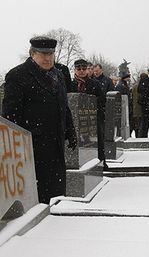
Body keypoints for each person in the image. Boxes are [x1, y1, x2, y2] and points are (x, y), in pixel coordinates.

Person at [2, 36, 77, 204]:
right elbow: (10, 116)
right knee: (37, 199)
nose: (48, 58)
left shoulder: (58, 75)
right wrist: (17, 147)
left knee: (56, 196)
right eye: (43, 54)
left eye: (51, 54)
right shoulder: (17, 75)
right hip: (32, 149)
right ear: (32, 54)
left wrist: (70, 130)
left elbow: (63, 106)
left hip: (55, 146)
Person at [71, 59, 107, 168]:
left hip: (93, 117)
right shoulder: (71, 84)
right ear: (75, 70)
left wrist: (90, 104)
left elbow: (102, 99)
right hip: (76, 119)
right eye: (79, 69)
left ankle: (101, 161)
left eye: (84, 68)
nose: (81, 71)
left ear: (87, 69)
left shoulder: (94, 83)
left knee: (98, 140)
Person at [115, 70, 133, 135]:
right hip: (123, 107)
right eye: (128, 77)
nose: (129, 78)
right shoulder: (121, 85)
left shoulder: (124, 84)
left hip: (126, 106)